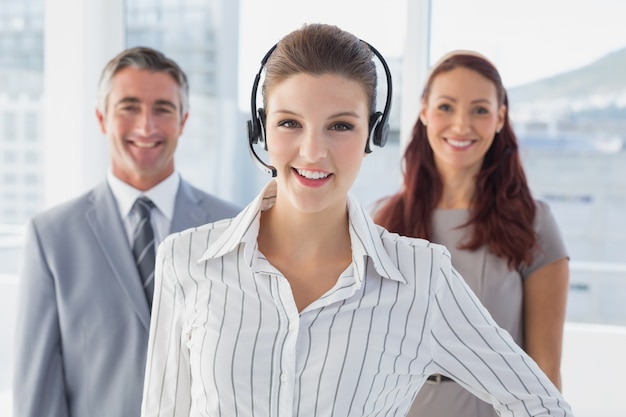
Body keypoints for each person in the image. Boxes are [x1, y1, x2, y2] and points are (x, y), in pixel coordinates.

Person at [140, 24, 574, 417]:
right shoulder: (187, 261)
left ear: (373, 133)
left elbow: (541, 403)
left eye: (341, 126)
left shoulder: (422, 277)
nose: (313, 151)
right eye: (290, 122)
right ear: (261, 129)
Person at [12, 46, 241, 417]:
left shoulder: (232, 229)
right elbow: (36, 393)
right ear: (102, 118)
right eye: (129, 107)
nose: (146, 126)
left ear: (183, 121)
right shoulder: (51, 237)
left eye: (163, 109)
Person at [373, 50, 570, 417]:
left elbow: (546, 374)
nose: (461, 125)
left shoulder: (533, 222)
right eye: (446, 107)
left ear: (500, 119)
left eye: (479, 110)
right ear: (424, 112)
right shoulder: (382, 220)